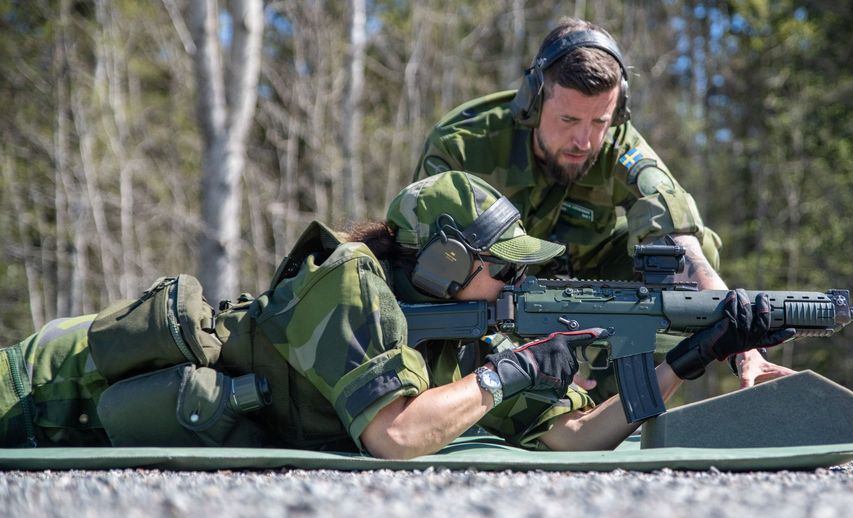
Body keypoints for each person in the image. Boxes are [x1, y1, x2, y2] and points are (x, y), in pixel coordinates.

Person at [0, 172, 793, 458]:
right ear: (445, 262)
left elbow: (568, 435)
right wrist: (511, 370)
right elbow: (396, 435)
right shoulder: (347, 281)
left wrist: (687, 361)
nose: (513, 279)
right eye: (498, 264)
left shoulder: (471, 334)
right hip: (41, 389)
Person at [414, 18, 795, 392]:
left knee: (682, 257)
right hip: (487, 293)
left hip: (587, 281)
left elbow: (674, 227)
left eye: (600, 121)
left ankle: (611, 394)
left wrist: (736, 330)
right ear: (532, 100)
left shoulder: (620, 145)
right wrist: (525, 356)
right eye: (568, 119)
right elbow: (429, 265)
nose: (584, 140)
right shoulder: (461, 145)